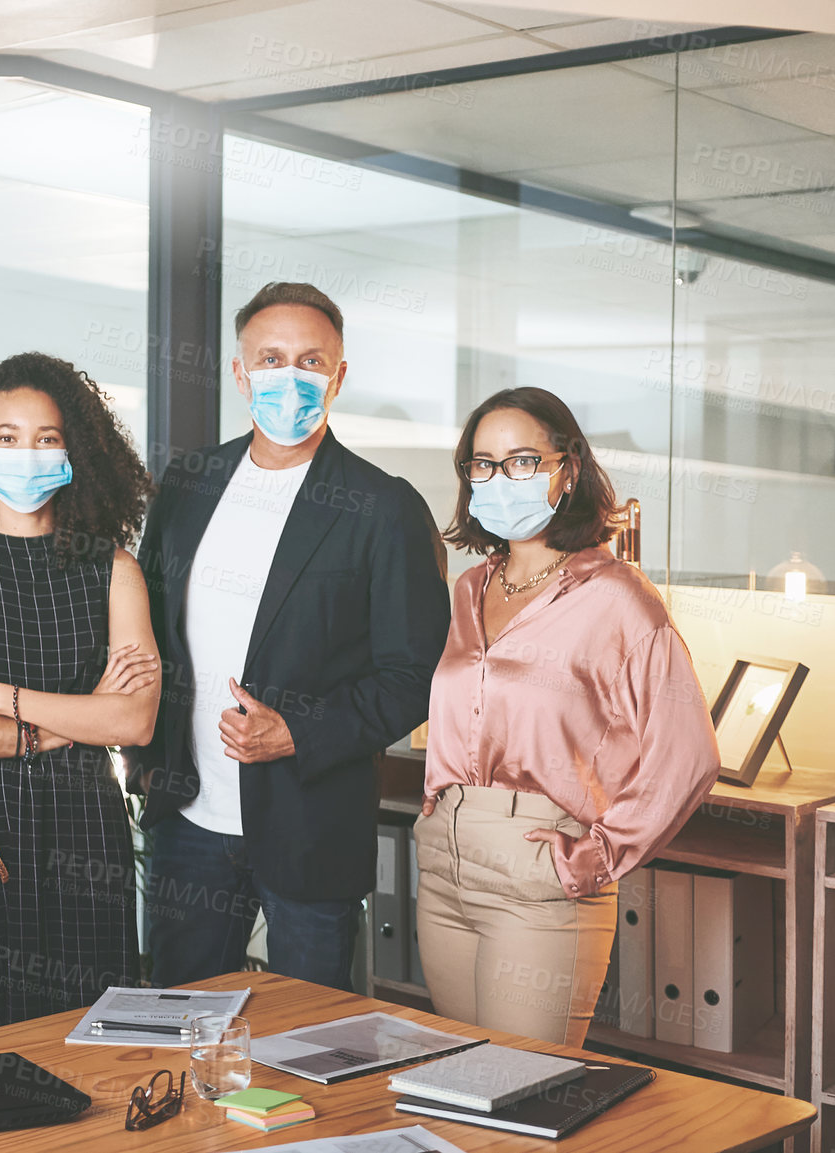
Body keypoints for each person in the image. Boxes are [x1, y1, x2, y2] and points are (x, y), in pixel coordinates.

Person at [128, 281, 448, 992]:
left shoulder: (382, 506)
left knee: (314, 1044)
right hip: (187, 821)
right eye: (271, 359)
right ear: (241, 375)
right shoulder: (189, 483)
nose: (290, 377)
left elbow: (414, 673)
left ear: (338, 376)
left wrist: (297, 731)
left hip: (311, 822)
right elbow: (146, 628)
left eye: (310, 361)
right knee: (180, 1026)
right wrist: (143, 757)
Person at [415, 386, 721, 1046]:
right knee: (458, 1087)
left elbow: (688, 755)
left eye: (523, 460)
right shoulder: (472, 587)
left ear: (568, 468)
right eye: (483, 464)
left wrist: (594, 857)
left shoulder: (616, 595)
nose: (501, 478)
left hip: (539, 870)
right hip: (445, 866)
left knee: (518, 1097)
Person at [0, 351, 160, 1041]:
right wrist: (75, 720)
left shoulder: (115, 569)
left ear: (75, 452)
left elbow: (133, 718)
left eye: (46, 437)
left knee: (91, 1033)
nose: (27, 453)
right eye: (9, 438)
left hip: (87, 825)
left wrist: (4, 696)